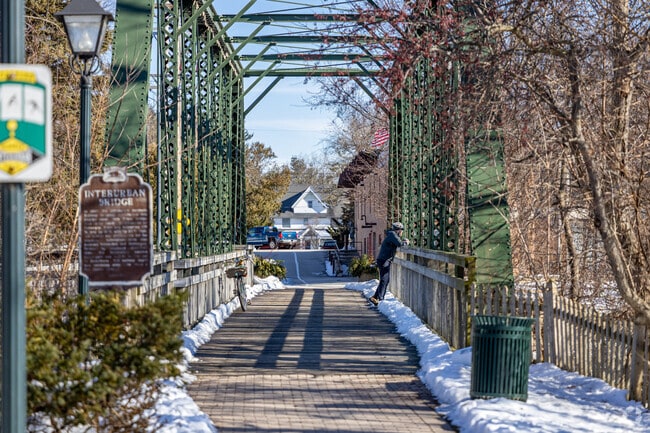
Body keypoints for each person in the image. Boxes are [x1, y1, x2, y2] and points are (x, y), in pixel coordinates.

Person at [370, 222, 409, 306]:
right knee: (384, 279)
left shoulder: (392, 235)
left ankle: (375, 297)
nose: (402, 232)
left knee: (385, 279)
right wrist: (406, 242)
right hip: (384, 260)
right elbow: (399, 244)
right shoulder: (393, 234)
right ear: (398, 230)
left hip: (384, 260)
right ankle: (380, 298)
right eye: (401, 230)